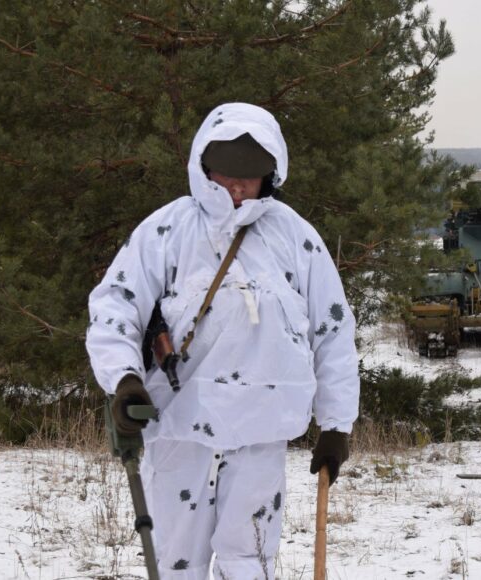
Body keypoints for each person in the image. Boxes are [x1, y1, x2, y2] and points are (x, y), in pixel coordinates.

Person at [86, 103, 359, 579]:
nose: (236, 187)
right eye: (226, 174)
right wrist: (125, 381)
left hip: (262, 425)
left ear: (269, 175)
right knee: (175, 558)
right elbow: (116, 306)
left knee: (250, 558)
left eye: (249, 177)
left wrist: (336, 423)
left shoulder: (295, 238)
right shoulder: (167, 231)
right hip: (178, 423)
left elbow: (332, 330)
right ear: (204, 167)